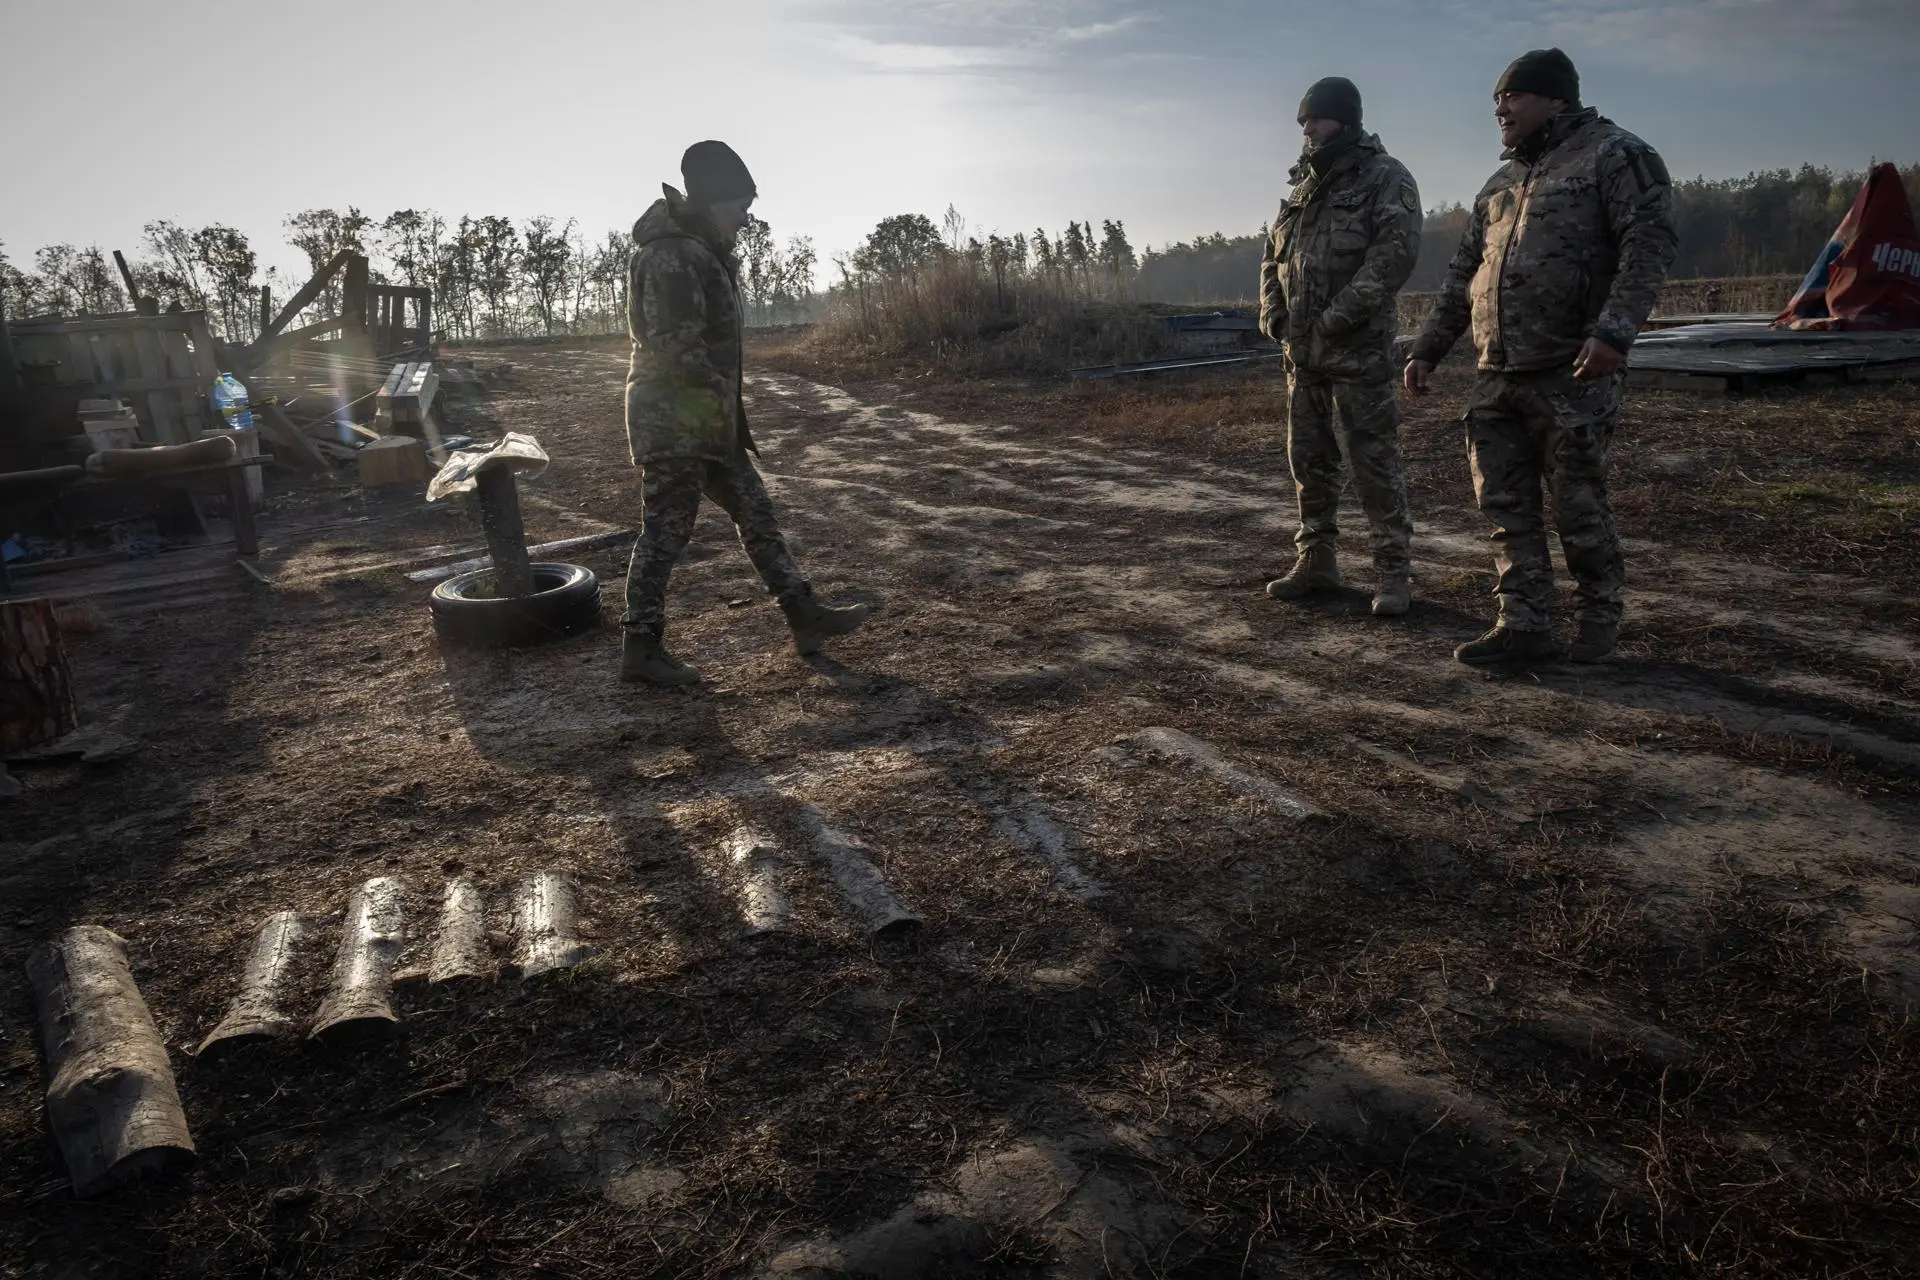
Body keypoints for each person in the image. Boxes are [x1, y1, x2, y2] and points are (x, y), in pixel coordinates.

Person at [1405, 49, 1677, 665]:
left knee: (1577, 502)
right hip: (1496, 373)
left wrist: (1613, 333)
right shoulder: (1499, 185)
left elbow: (1649, 243)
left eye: (1513, 96)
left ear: (1556, 98)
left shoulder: (1615, 155)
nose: (1500, 108)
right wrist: (1427, 349)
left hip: (1570, 369)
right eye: (1497, 99)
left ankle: (1598, 619)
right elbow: (1461, 274)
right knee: (1504, 505)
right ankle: (1523, 622)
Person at [619, 141, 868, 685]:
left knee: (757, 514)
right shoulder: (671, 254)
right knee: (665, 532)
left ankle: (805, 617)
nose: (746, 218)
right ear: (711, 201)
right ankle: (640, 648)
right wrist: (713, 398)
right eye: (740, 206)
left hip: (707, 420)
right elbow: (673, 347)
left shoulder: (699, 249)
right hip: (676, 420)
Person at [1259, 77, 1423, 617]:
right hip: (1302, 356)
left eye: (1316, 119)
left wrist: (1335, 318)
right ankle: (1317, 561)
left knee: (1372, 460)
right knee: (1308, 459)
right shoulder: (1303, 184)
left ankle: (1392, 573)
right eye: (1303, 121)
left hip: (1357, 351)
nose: (1306, 128)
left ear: (1346, 121)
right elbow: (1272, 253)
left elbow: (1392, 258)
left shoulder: (1386, 178)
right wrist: (1274, 311)